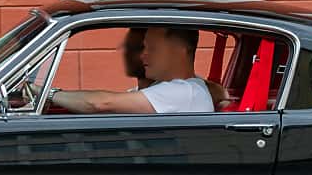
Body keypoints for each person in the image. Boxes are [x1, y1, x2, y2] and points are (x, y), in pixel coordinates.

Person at [51, 25, 215, 114]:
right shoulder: (187, 89)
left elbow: (101, 103)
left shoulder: (183, 92)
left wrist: (49, 94)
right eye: (144, 47)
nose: (143, 55)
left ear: (180, 50)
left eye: (152, 48)